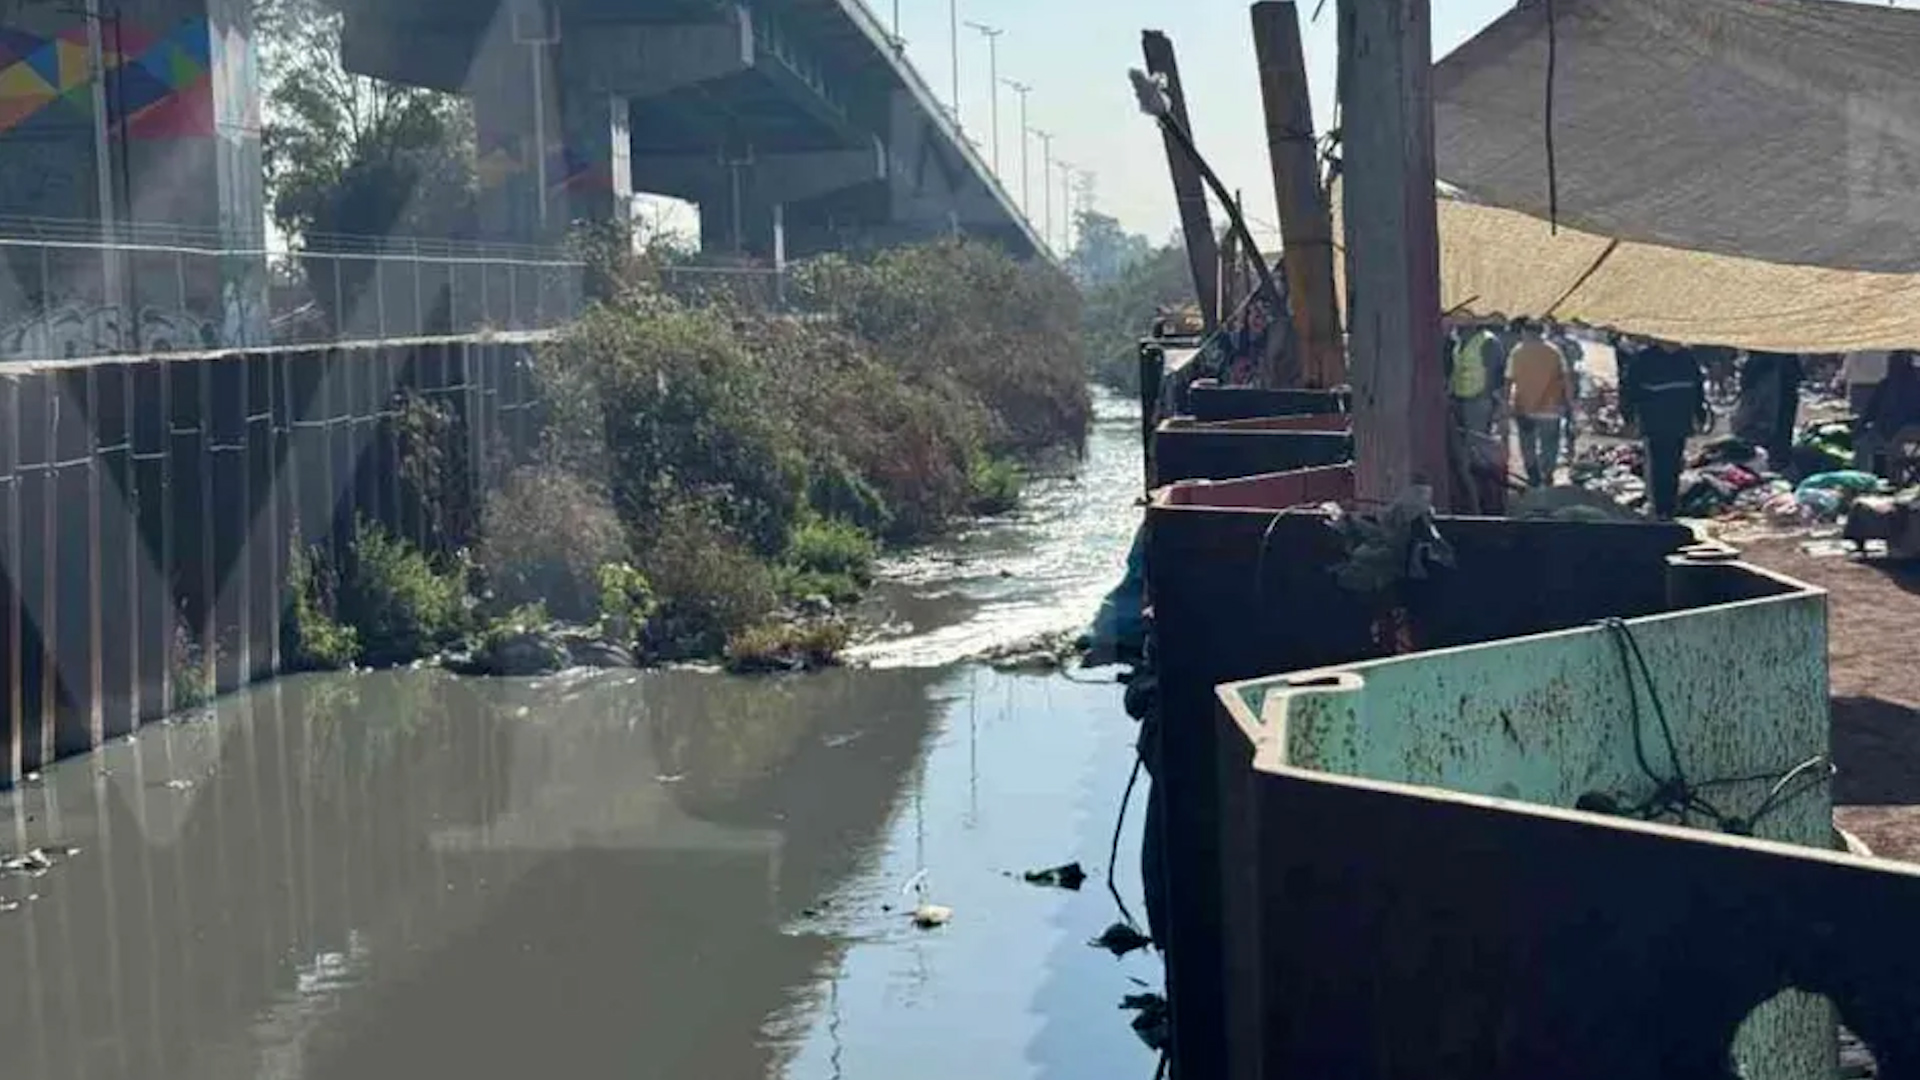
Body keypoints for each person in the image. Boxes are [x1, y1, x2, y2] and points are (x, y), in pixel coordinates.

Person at [1621, 336, 1709, 519]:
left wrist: (1700, 416)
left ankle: (1669, 507)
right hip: (1654, 421)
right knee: (1657, 465)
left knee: (1674, 464)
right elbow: (1629, 390)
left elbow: (1697, 390)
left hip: (1679, 420)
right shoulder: (1644, 360)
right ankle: (1659, 508)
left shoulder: (1687, 358)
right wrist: (1628, 417)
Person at [1508, 319, 1574, 487]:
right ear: (1542, 331)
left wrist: (1506, 403)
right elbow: (1566, 378)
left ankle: (1533, 477)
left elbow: (1508, 380)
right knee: (1549, 445)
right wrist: (1569, 403)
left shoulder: (1517, 352)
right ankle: (1547, 475)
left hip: (1524, 407)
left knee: (1527, 444)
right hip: (1550, 407)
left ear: (1524, 331)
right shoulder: (1554, 351)